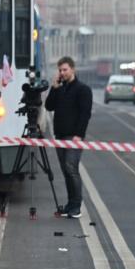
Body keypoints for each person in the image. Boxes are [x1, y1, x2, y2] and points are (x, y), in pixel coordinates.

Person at [44, 56, 92, 218]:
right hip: (60, 135)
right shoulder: (60, 89)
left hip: (73, 137)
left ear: (73, 69)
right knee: (65, 171)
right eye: (60, 70)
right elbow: (49, 106)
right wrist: (54, 87)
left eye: (65, 70)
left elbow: (85, 114)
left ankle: (77, 206)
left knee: (71, 169)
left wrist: (79, 135)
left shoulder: (83, 90)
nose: (62, 73)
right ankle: (71, 204)